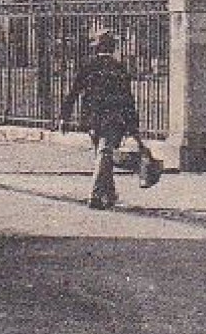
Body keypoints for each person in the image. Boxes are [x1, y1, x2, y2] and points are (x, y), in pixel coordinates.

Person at [60, 31, 162, 210]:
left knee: (103, 155)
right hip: (114, 118)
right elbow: (127, 99)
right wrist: (133, 127)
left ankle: (109, 194)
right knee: (104, 155)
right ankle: (96, 195)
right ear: (113, 47)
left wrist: (64, 117)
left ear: (96, 48)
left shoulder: (88, 66)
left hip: (91, 119)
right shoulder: (119, 67)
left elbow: (73, 93)